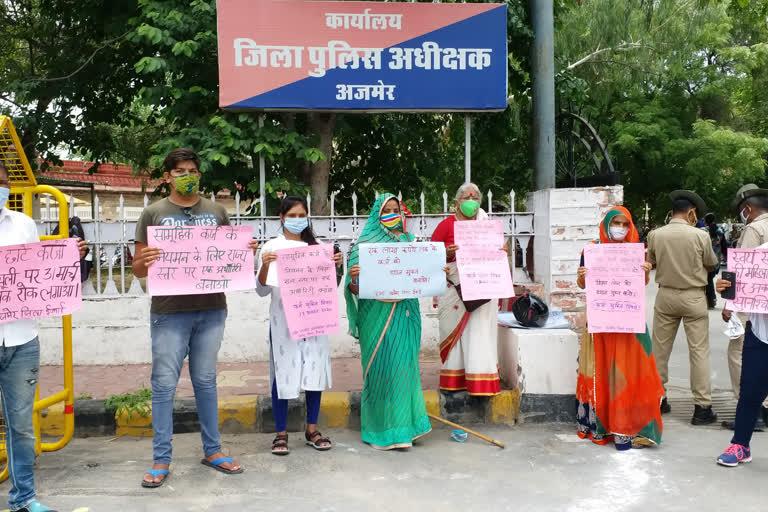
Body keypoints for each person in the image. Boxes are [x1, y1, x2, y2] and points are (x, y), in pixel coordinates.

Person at [132, 148, 258, 487]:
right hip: (169, 311)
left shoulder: (216, 211)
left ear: (199, 174)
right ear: (168, 177)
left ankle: (213, 449)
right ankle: (161, 458)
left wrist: (246, 252)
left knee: (205, 381)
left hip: (211, 308)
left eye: (192, 170)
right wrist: (148, 259)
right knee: (164, 385)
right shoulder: (153, 214)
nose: (187, 175)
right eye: (180, 171)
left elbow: (230, 256)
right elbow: (136, 266)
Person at [0, 162, 87, 512]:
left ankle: (23, 499)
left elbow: (39, 275)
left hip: (21, 340)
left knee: (21, 427)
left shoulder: (23, 224)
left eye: (3, 181)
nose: (0, 187)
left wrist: (68, 258)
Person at [344, 193, 432, 450]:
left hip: (405, 313)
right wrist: (355, 277)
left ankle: (406, 428)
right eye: (387, 211)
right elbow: (355, 289)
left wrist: (436, 270)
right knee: (383, 369)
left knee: (404, 367)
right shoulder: (364, 246)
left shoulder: (409, 242)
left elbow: (421, 275)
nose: (393, 215)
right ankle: (382, 430)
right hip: (377, 317)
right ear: (376, 215)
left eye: (396, 210)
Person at [256, 195, 342, 455]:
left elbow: (329, 288)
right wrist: (265, 266)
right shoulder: (271, 247)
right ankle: (280, 433)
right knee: (282, 373)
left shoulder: (316, 247)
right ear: (281, 218)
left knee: (314, 373)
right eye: (291, 216)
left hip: (314, 318)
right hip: (283, 322)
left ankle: (312, 429)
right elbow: (260, 290)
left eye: (300, 216)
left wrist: (336, 267)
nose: (296, 220)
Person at [575, 207, 664, 450]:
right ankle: (603, 425)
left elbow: (638, 285)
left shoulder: (635, 250)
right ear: (606, 224)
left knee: (632, 371)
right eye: (616, 222)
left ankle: (632, 426)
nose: (621, 228)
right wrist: (582, 275)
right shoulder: (591, 249)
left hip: (629, 322)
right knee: (603, 370)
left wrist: (645, 272)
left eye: (626, 224)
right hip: (601, 321)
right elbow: (582, 283)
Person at [647, 190, 719, 425]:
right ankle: (702, 408)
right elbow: (711, 265)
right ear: (690, 212)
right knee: (698, 352)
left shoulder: (655, 235)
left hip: (666, 295)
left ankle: (658, 399)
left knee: (659, 351)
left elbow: (652, 261)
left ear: (672, 212)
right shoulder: (701, 236)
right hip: (693, 297)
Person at [431, 183, 501, 396]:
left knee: (479, 332)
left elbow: (495, 255)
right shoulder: (446, 225)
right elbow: (430, 257)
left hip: (482, 287)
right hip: (454, 290)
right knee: (455, 335)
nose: (471, 202)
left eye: (475, 198)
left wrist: (502, 249)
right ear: (456, 202)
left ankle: (481, 381)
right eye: (466, 198)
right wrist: (447, 253)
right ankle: (454, 381)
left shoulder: (486, 226)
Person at [716, 240, 768, 466]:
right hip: (760, 334)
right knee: (750, 392)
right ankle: (740, 445)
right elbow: (738, 287)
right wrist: (727, 293)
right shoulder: (758, 255)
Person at [721, 184, 768, 431]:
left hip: (753, 305)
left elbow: (743, 271)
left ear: (747, 208)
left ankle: (752, 411)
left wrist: (730, 305)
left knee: (739, 354)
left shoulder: (754, 229)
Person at [701, 213, 726, 309]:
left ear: (706, 221)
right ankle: (711, 300)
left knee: (707, 280)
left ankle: (710, 300)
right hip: (717, 260)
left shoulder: (704, 231)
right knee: (709, 279)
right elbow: (724, 245)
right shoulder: (720, 230)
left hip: (707, 259)